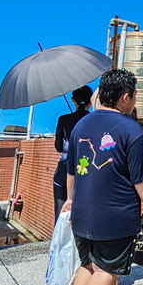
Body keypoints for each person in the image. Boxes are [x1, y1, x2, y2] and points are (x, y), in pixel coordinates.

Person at [63, 70, 143, 285]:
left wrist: (70, 201)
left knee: (86, 265)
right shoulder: (132, 130)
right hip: (114, 214)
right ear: (126, 97)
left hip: (81, 211)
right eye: (135, 95)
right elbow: (141, 178)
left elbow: (71, 171)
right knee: (107, 270)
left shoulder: (80, 126)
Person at [53, 86, 93, 222]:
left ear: (72, 100)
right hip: (86, 168)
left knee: (61, 214)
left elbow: (58, 147)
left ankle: (60, 240)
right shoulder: (93, 120)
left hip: (64, 167)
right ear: (91, 102)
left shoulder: (63, 119)